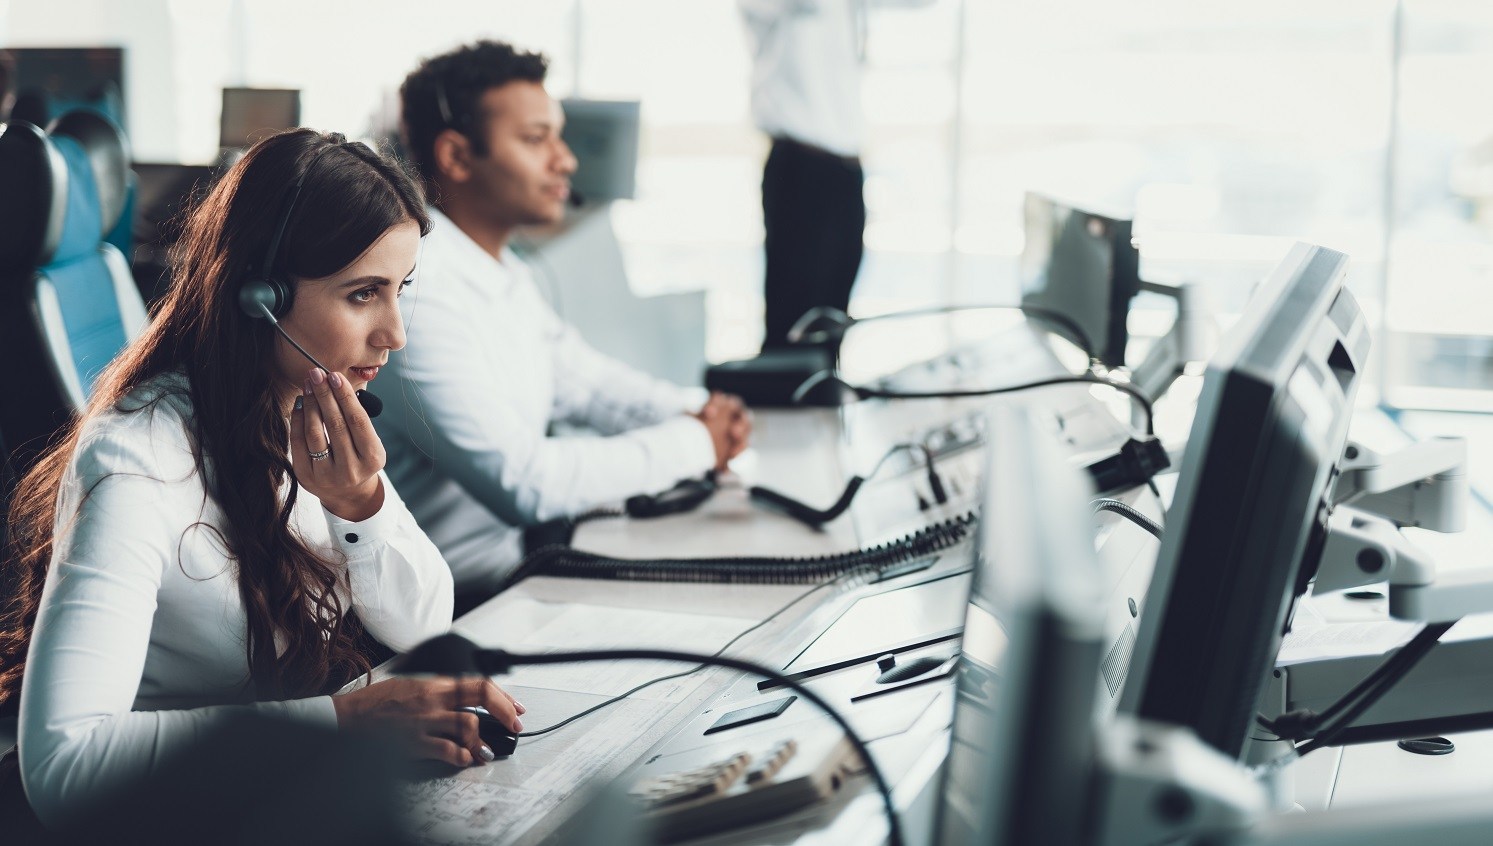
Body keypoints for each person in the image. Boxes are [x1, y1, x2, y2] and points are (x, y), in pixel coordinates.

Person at [0, 129, 522, 829]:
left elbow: (421, 624)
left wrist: (359, 505)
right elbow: (66, 764)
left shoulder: (310, 408)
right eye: (363, 294)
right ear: (259, 295)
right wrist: (342, 722)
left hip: (273, 799)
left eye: (400, 290)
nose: (394, 332)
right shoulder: (136, 463)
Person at [386, 41, 752, 602]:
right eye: (536, 139)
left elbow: (588, 385)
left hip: (513, 575)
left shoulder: (504, 272)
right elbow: (524, 483)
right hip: (449, 612)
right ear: (457, 157)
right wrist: (697, 442)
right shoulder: (413, 291)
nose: (566, 160)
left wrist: (693, 413)